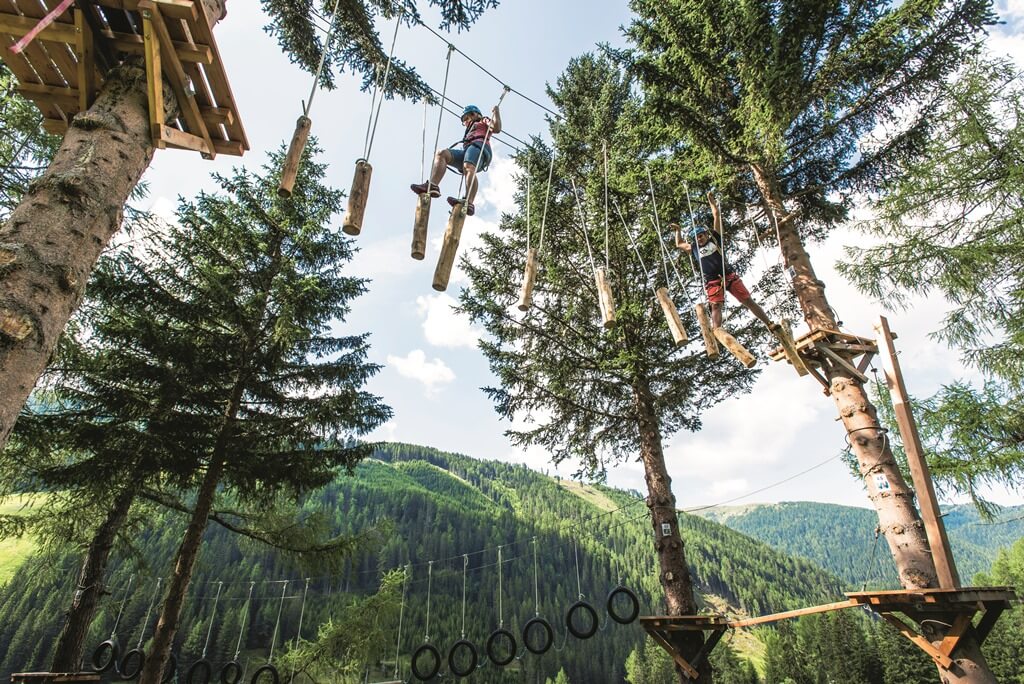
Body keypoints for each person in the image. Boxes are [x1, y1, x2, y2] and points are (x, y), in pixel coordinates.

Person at [671, 191, 777, 332]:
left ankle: (769, 323)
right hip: (712, 281)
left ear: (706, 235)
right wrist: (678, 231)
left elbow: (716, 216)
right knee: (715, 305)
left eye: (701, 236)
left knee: (747, 300)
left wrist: (712, 202)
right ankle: (717, 331)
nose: (699, 239)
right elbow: (679, 244)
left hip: (728, 275)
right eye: (697, 237)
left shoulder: (715, 239)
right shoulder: (694, 248)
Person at [410, 103, 502, 217]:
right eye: (464, 120)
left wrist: (496, 112)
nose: (465, 122)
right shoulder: (468, 130)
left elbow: (496, 128)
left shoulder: (483, 120)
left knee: (469, 166)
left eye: (467, 118)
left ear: (475, 114)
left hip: (479, 147)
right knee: (442, 154)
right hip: (468, 150)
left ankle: (469, 202)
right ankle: (433, 185)